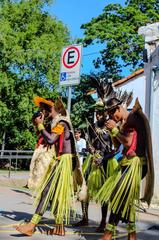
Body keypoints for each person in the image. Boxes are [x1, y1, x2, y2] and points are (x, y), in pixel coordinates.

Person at [15, 96, 78, 236]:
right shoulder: (55, 122)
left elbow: (51, 139)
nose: (43, 113)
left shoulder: (61, 122)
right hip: (60, 160)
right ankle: (59, 227)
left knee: (46, 191)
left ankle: (32, 225)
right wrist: (38, 124)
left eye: (44, 109)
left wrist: (40, 125)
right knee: (55, 195)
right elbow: (43, 137)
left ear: (51, 108)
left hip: (64, 161)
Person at [96, 97, 154, 240]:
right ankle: (132, 235)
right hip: (127, 163)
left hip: (136, 164)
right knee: (126, 201)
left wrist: (115, 130)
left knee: (117, 196)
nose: (111, 117)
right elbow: (118, 146)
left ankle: (108, 234)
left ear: (118, 109)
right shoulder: (125, 122)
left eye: (111, 114)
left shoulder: (132, 118)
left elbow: (128, 142)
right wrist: (112, 131)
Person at [74, 108, 120, 232]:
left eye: (101, 113)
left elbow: (117, 149)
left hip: (106, 162)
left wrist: (103, 159)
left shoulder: (111, 127)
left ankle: (103, 222)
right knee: (84, 189)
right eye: (97, 113)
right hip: (92, 161)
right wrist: (91, 150)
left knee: (103, 194)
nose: (98, 115)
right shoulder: (91, 127)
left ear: (106, 114)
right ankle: (85, 218)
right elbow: (90, 144)